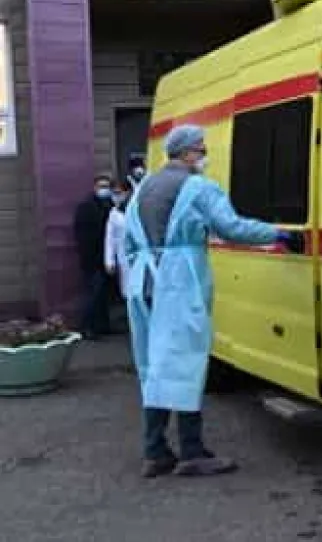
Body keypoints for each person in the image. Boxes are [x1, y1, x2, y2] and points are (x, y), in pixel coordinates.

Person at [124, 123, 300, 479]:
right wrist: (278, 234)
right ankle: (192, 451)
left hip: (143, 283)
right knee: (187, 363)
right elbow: (231, 227)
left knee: (155, 366)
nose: (204, 155)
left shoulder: (144, 188)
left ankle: (155, 451)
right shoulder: (198, 187)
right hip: (180, 283)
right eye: (201, 149)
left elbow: (127, 242)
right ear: (188, 152)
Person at [73, 175, 114, 340]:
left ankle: (103, 326)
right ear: (95, 187)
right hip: (93, 259)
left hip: (105, 258)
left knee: (103, 295)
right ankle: (87, 327)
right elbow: (83, 236)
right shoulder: (86, 207)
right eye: (101, 186)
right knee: (94, 294)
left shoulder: (108, 205)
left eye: (107, 186)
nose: (105, 189)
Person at [104, 180, 131, 299]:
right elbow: (110, 238)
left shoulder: (138, 208)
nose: (115, 196)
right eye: (113, 193)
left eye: (118, 193)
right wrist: (109, 261)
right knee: (127, 292)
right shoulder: (114, 213)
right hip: (123, 257)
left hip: (141, 256)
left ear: (127, 192)